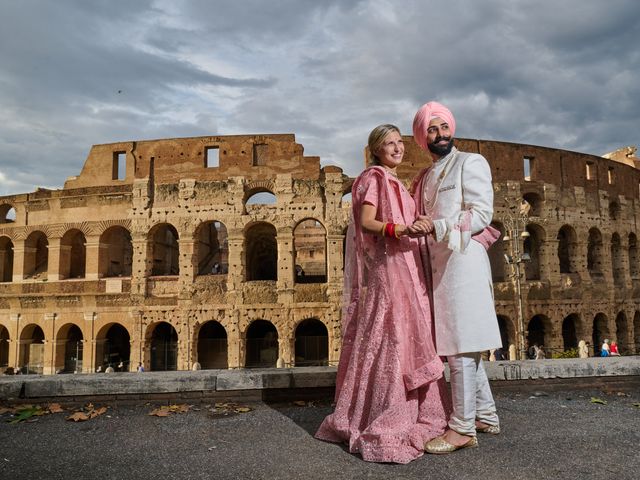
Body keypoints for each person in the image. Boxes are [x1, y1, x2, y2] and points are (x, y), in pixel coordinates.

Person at [315, 124, 450, 463]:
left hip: (403, 265)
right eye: (389, 144)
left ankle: (392, 408)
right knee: (391, 334)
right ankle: (384, 412)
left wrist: (416, 222)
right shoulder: (374, 178)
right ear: (376, 149)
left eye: (399, 143)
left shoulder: (394, 182)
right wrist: (401, 228)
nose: (396, 148)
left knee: (399, 333)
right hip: (389, 268)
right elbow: (366, 221)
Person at [412, 101, 502, 454]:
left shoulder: (470, 162)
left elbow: (482, 213)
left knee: (462, 344)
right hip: (439, 265)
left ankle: (462, 427)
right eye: (432, 130)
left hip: (464, 259)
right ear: (423, 137)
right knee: (455, 343)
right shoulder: (426, 177)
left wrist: (439, 226)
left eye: (443, 127)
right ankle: (486, 414)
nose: (440, 134)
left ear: (452, 129)